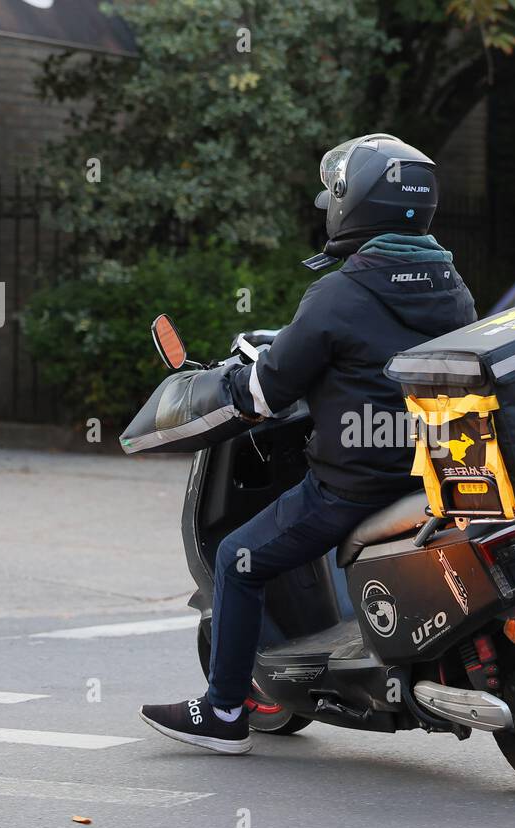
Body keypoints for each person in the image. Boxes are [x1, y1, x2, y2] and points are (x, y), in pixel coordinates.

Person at [139, 134, 476, 754]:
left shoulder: (339, 293)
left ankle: (223, 713)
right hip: (430, 470)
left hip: (355, 485)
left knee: (238, 557)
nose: (327, 210)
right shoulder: (449, 283)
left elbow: (267, 392)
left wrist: (237, 377)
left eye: (334, 201)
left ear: (354, 207)